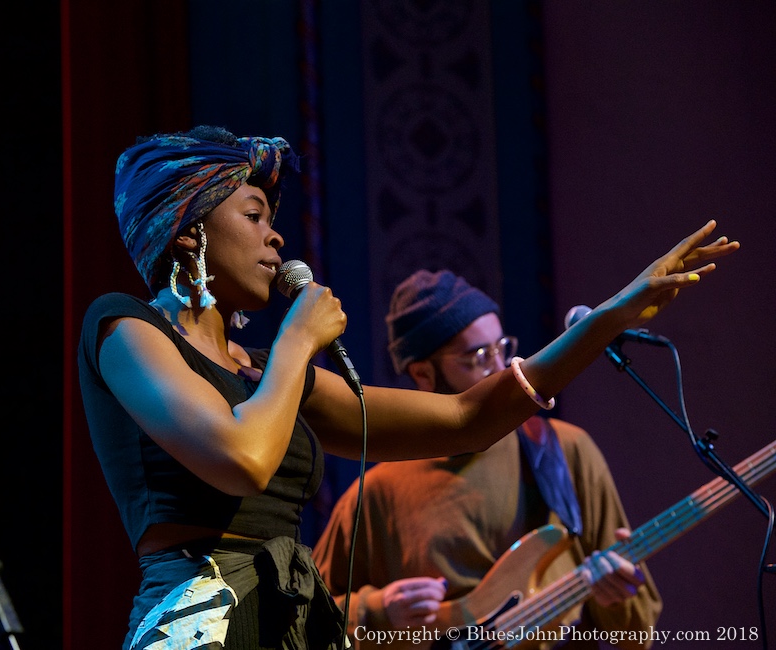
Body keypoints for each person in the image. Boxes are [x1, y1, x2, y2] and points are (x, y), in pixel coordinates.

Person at [76, 124, 737, 650]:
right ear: (189, 229)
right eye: (253, 214)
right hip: (201, 621)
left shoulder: (269, 368)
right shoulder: (125, 328)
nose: (276, 235)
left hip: (297, 627)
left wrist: (609, 318)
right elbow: (240, 459)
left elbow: (464, 420)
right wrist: (297, 344)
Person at [312, 269, 663, 649]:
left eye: (503, 348)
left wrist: (617, 598)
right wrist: (378, 610)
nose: (504, 370)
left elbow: (637, 631)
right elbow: (311, 619)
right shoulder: (376, 494)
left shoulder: (566, 451)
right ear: (423, 373)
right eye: (479, 357)